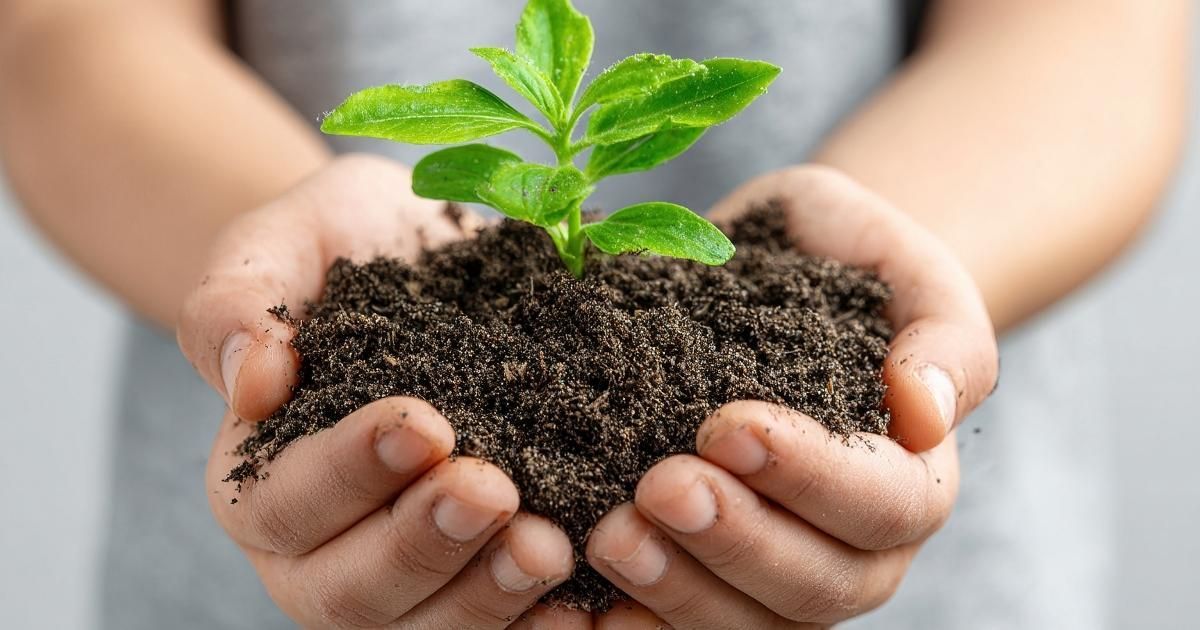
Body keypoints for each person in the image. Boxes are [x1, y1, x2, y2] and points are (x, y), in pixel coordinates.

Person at [0, 1, 1186, 628]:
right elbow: (67, 33)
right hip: (278, 571)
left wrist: (871, 280)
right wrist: (272, 269)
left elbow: (1097, 29)